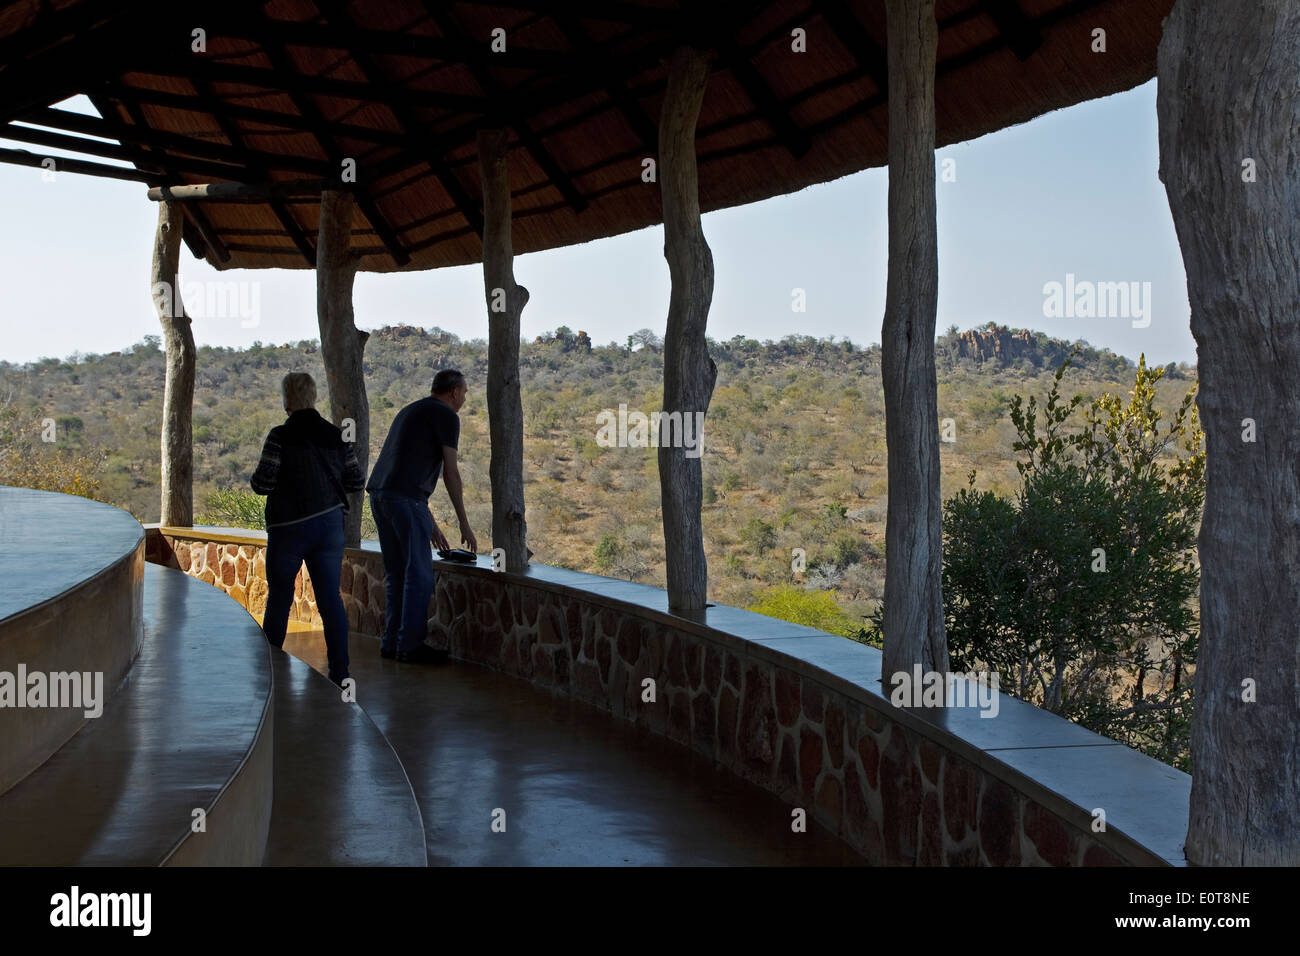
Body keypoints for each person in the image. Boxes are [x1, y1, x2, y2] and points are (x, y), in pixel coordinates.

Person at [250, 372, 364, 686]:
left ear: (287, 400)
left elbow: (263, 483)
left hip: (287, 528)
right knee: (330, 600)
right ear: (313, 397)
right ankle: (341, 672)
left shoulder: (279, 436)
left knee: (279, 599)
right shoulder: (338, 435)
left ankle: (271, 671)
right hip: (329, 528)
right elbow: (355, 481)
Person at [367, 368, 477, 664]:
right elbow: (450, 473)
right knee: (419, 574)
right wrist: (464, 523)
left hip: (380, 495)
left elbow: (404, 465)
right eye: (464, 392)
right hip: (405, 500)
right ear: (454, 392)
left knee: (397, 572)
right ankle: (410, 646)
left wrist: (427, 521)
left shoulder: (410, 410)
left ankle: (391, 644)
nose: (464, 398)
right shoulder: (446, 416)